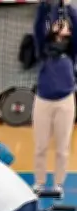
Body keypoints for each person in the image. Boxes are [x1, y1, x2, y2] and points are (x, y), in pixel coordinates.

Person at [32, 1, 77, 196]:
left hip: (65, 101)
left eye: (65, 24)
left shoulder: (71, 51)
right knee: (40, 146)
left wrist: (69, 7)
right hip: (43, 101)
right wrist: (44, 5)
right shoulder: (43, 49)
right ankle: (39, 182)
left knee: (62, 147)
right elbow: (38, 26)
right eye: (58, 23)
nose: (61, 24)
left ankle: (58, 184)